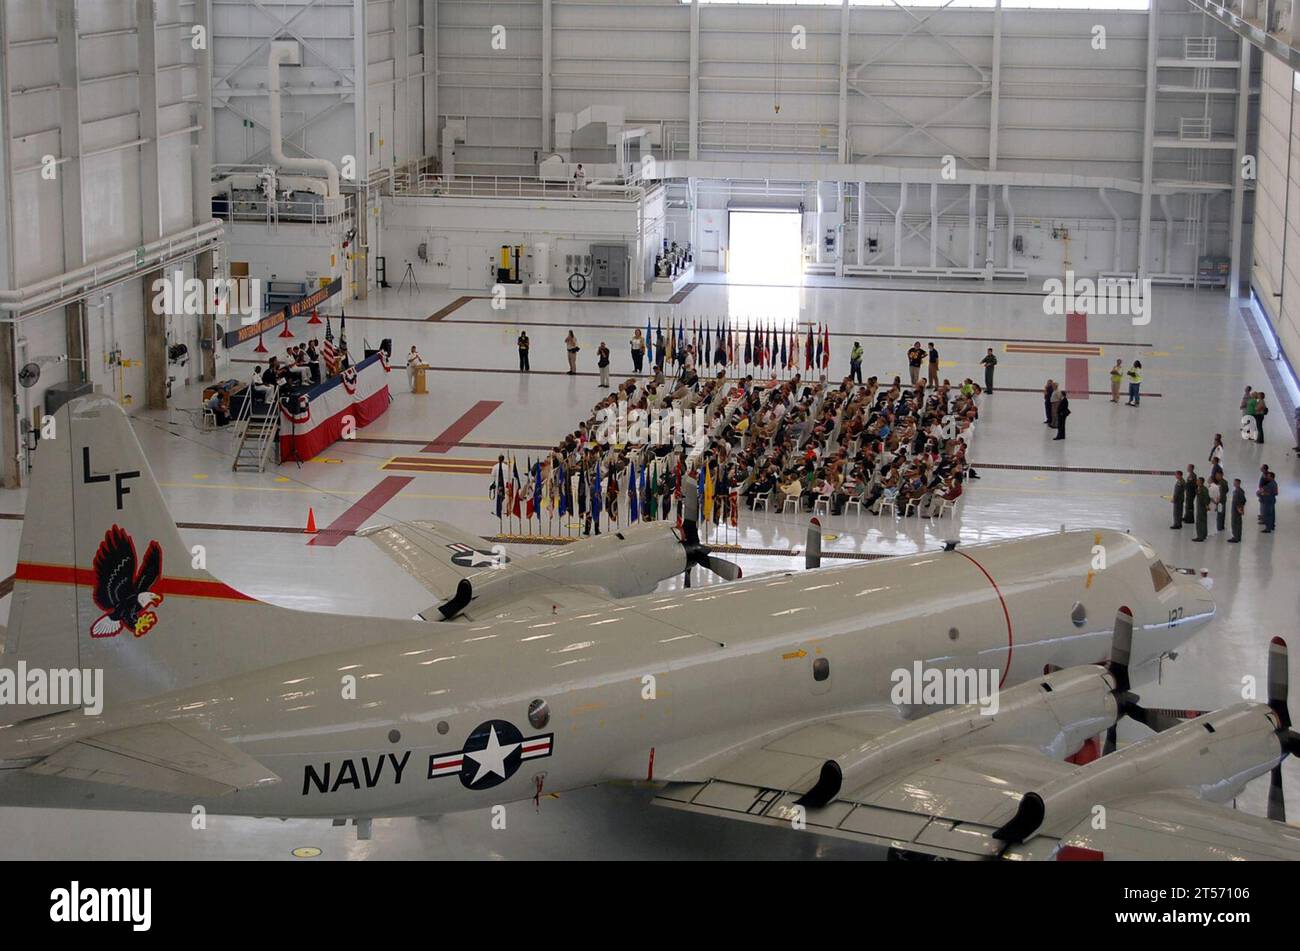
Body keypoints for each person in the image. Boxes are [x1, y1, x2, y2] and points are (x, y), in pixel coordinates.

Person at [1258, 467, 1278, 533]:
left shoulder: (1272, 484)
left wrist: (1264, 493)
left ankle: (1268, 528)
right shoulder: (1271, 483)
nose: (1267, 477)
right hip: (1270, 501)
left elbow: (1275, 493)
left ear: (1272, 477)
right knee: (1271, 514)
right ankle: (1271, 526)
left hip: (1269, 501)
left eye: (1268, 476)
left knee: (1268, 514)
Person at [1192, 476, 1209, 542]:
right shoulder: (1201, 488)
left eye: (1198, 481)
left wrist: (1206, 505)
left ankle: (1200, 536)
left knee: (1200, 522)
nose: (1196, 482)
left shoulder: (1203, 489)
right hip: (1201, 507)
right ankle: (1203, 535)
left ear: (1200, 482)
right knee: (1203, 521)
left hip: (1201, 508)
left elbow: (1206, 498)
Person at [1228, 478, 1246, 543]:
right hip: (1235, 509)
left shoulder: (1239, 491)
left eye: (1235, 482)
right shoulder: (1237, 490)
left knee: (1235, 523)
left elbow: (1243, 500)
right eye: (1234, 482)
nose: (1234, 483)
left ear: (1238, 483)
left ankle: (1236, 537)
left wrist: (1240, 508)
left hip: (1237, 510)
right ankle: (1237, 536)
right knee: (1236, 523)